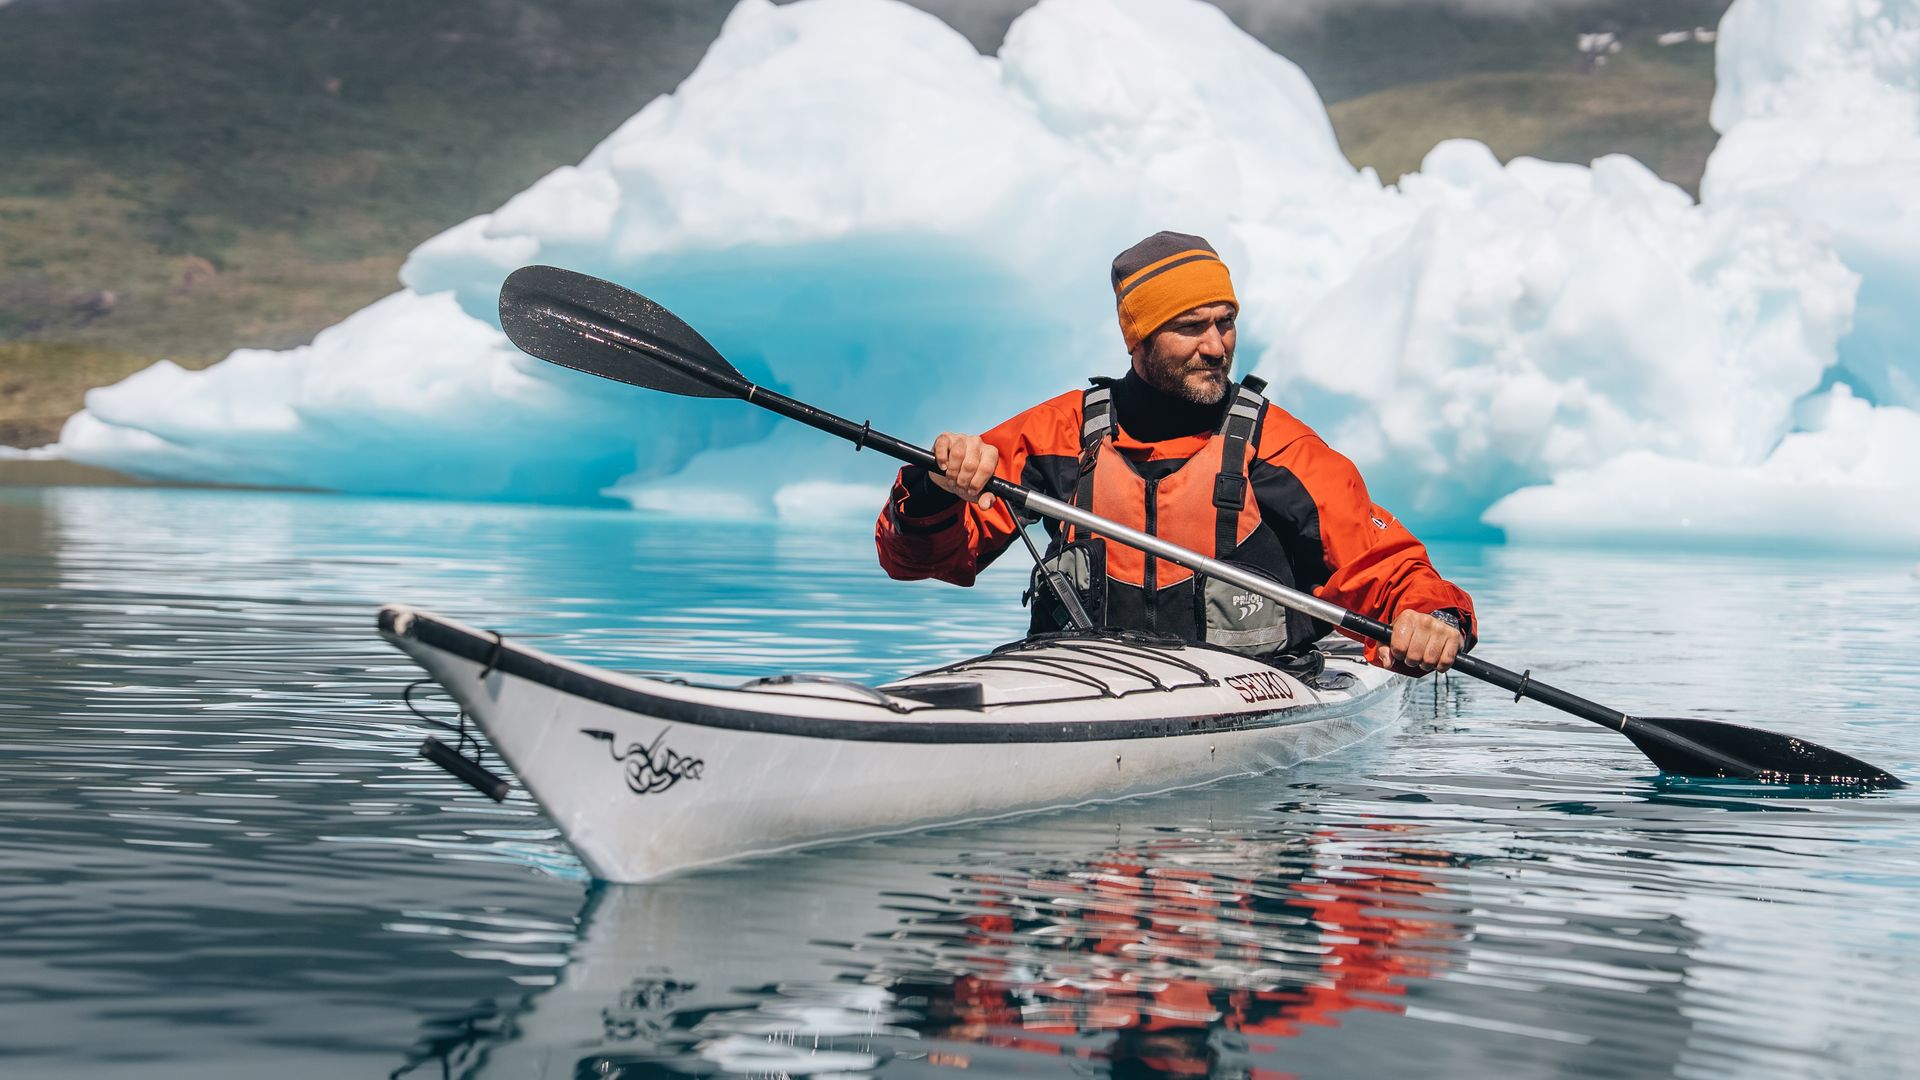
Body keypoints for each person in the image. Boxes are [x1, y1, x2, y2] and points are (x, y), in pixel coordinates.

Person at [874, 231, 1474, 675]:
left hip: (1255, 690)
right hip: (1080, 675)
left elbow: (1392, 570)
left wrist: (1435, 619)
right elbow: (913, 562)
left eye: (1225, 322)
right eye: (1190, 326)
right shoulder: (1059, 434)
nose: (1216, 346)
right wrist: (933, 488)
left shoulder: (1281, 449)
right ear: (1138, 336)